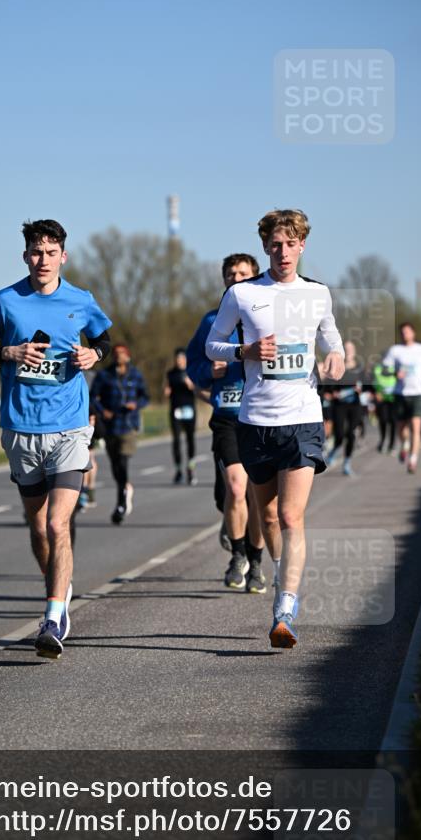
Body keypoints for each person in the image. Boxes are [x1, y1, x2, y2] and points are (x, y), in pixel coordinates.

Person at [0, 218, 112, 659]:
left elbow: (103, 339)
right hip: (20, 429)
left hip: (69, 427)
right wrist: (7, 353)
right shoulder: (5, 301)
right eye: (35, 252)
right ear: (25, 256)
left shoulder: (80, 300)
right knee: (37, 525)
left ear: (63, 257)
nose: (42, 259)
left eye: (51, 252)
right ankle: (59, 588)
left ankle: (53, 615)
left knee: (57, 522)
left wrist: (94, 353)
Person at [206, 209, 345, 647]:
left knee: (290, 515)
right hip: (255, 422)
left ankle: (286, 605)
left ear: (302, 245)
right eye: (276, 244)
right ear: (266, 246)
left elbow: (332, 339)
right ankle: (281, 576)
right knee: (266, 515)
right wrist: (245, 349)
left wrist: (336, 358)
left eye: (291, 243)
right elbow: (214, 343)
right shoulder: (243, 294)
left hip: (302, 418)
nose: (283, 251)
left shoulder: (318, 294)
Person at [186, 253, 268, 593]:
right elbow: (194, 365)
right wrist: (211, 371)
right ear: (224, 280)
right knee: (236, 488)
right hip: (228, 417)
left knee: (257, 497)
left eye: (243, 274)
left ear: (253, 278)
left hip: (263, 416)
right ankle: (237, 556)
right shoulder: (210, 321)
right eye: (231, 274)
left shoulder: (266, 318)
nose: (236, 278)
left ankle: (257, 563)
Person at [89, 344, 149, 525]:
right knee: (115, 464)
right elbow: (92, 396)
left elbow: (145, 396)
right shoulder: (104, 375)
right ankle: (124, 488)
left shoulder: (135, 375)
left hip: (128, 425)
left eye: (122, 354)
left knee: (122, 462)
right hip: (110, 426)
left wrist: (136, 405)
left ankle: (121, 502)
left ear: (128, 356)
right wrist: (102, 410)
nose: (118, 357)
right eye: (115, 355)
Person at [383, 323, 421, 474]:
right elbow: (384, 370)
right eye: (403, 332)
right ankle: (405, 444)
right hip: (401, 393)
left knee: (416, 426)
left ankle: (413, 460)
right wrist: (394, 374)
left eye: (408, 332)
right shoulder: (395, 351)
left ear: (413, 333)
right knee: (402, 429)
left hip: (418, 392)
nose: (405, 334)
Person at [326, 341, 364, 476]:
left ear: (354, 351)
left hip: (355, 405)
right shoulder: (338, 365)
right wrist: (331, 392)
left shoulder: (359, 368)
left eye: (351, 348)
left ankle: (347, 463)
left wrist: (363, 390)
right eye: (346, 349)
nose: (348, 351)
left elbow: (367, 384)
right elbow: (328, 383)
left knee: (351, 434)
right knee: (340, 434)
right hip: (339, 405)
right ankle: (332, 452)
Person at [164, 348, 197, 485]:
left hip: (189, 409)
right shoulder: (170, 373)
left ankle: (190, 469)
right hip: (176, 410)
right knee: (176, 441)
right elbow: (167, 388)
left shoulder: (191, 371)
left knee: (190, 439)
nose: (179, 361)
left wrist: (191, 384)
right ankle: (178, 470)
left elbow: (198, 389)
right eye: (177, 358)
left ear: (185, 359)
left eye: (181, 358)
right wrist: (166, 391)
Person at [372, 355, 397, 452]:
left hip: (394, 399)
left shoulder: (396, 367)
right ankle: (382, 440)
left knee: (393, 422)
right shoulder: (378, 368)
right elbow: (374, 381)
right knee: (383, 420)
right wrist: (377, 392)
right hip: (382, 399)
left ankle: (392, 445)